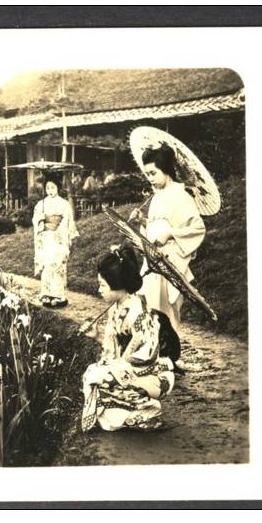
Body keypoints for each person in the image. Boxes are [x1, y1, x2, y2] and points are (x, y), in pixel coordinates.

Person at [79, 246, 177, 432]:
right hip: (125, 369)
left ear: (117, 285)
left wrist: (123, 362)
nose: (99, 290)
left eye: (102, 285)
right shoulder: (116, 307)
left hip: (147, 372)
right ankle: (129, 414)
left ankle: (146, 409)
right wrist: (98, 335)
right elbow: (112, 349)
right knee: (92, 372)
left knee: (97, 376)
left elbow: (149, 352)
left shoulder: (139, 310)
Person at [128, 143, 206, 333]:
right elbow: (157, 227)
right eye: (147, 174)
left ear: (166, 170)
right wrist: (144, 221)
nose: (150, 179)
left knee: (166, 312)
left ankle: (167, 353)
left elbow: (197, 227)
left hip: (170, 260)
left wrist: (171, 233)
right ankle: (153, 351)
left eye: (153, 173)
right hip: (153, 259)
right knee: (149, 306)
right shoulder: (157, 197)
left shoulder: (181, 195)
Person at [32, 179, 79, 308]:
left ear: (58, 187)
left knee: (58, 265)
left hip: (58, 237)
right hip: (46, 237)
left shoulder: (64, 204)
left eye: (53, 187)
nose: (50, 191)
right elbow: (36, 220)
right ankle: (46, 294)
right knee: (47, 265)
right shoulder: (40, 204)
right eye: (48, 188)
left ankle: (58, 295)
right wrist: (41, 220)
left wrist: (59, 229)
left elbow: (67, 220)